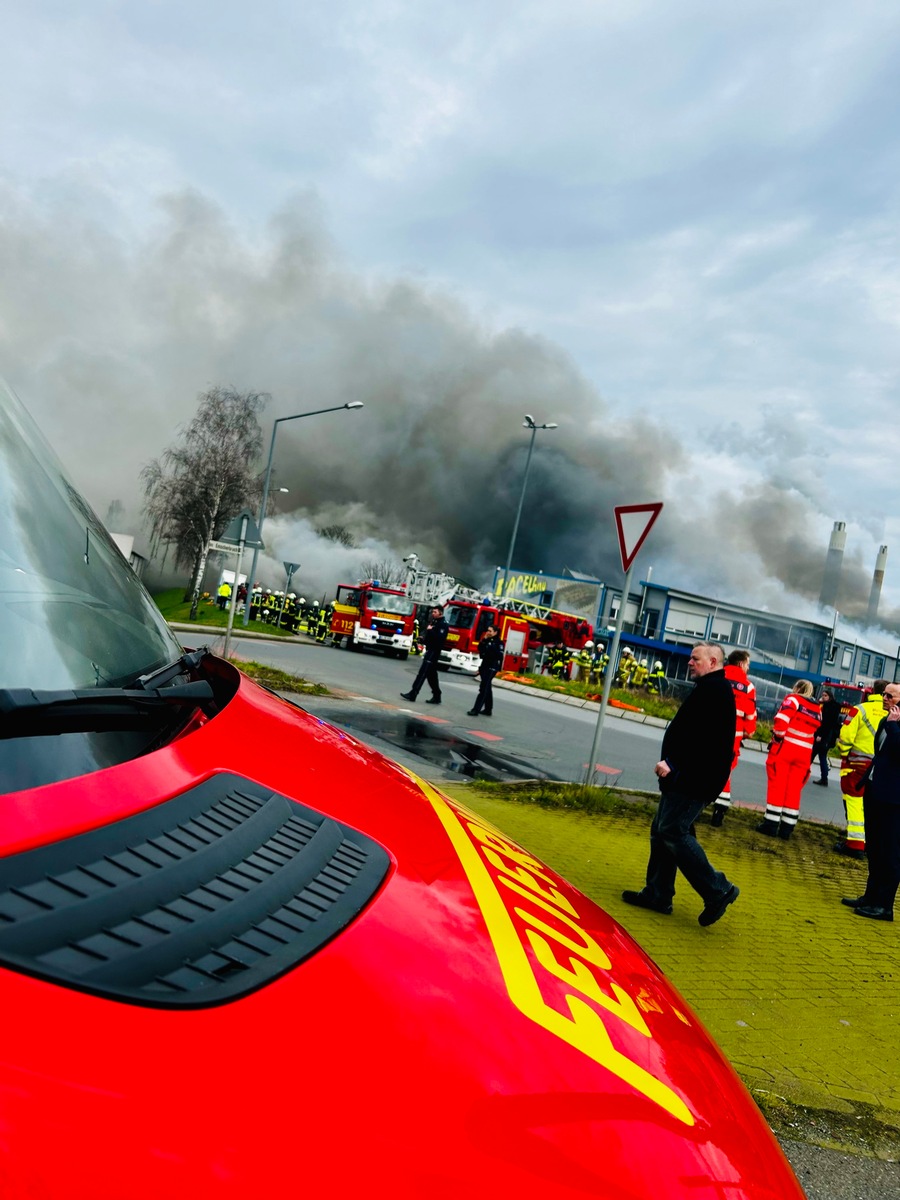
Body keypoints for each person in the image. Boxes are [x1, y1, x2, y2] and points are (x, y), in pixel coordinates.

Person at [622, 643, 739, 926]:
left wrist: (673, 763)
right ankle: (658, 894)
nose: (689, 662)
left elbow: (702, 741)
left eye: (695, 659)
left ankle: (718, 889)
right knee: (662, 831)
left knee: (672, 830)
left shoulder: (715, 691)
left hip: (693, 779)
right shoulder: (710, 688)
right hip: (686, 778)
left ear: (712, 661)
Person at [842, 682, 900, 921]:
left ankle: (884, 905)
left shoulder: (894, 724)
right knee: (874, 848)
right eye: (884, 693)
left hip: (894, 799)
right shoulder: (886, 720)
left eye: (890, 695)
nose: (884, 698)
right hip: (876, 790)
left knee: (890, 851)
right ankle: (870, 896)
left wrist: (894, 727)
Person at [756, 680, 821, 839]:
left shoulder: (793, 699)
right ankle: (787, 828)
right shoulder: (816, 709)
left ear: (798, 688)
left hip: (786, 749)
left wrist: (778, 736)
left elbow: (782, 720)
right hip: (804, 754)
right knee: (793, 790)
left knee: (777, 785)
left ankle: (770, 824)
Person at [835, 680, 888, 859]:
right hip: (882, 768)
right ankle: (867, 842)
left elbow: (845, 737)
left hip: (857, 765)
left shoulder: (860, 709)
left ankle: (855, 844)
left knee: (854, 802)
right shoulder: (893, 712)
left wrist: (845, 754)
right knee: (873, 807)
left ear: (872, 691)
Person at [710, 650, 758, 827]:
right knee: (724, 772)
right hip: (732, 738)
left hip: (708, 732)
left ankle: (694, 806)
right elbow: (750, 717)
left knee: (702, 766)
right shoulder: (748, 686)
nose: (748, 668)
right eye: (747, 664)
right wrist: (747, 732)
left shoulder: (715, 675)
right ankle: (719, 811)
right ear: (740, 663)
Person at [401, 606, 449, 704]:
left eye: (435, 612)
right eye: (432, 612)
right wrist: (423, 639)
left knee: (422, 673)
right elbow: (431, 638)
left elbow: (439, 640)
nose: (433, 613)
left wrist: (431, 630)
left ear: (440, 613)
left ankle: (413, 693)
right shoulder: (434, 622)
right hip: (429, 650)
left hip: (434, 652)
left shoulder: (443, 625)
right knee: (432, 676)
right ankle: (437, 695)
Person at [468, 624, 504, 717]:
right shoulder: (486, 640)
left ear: (495, 633)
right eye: (487, 630)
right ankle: (488, 709)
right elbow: (480, 649)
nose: (488, 632)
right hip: (484, 665)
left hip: (492, 666)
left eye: (490, 631)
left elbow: (499, 655)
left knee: (483, 687)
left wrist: (490, 646)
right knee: (487, 687)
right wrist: (484, 640)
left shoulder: (499, 643)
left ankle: (475, 709)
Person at [812, 688, 843, 786]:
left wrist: (820, 735)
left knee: (816, 755)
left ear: (830, 696)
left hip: (824, 736)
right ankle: (824, 778)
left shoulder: (828, 707)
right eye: (823, 695)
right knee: (821, 756)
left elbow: (826, 723)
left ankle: (822, 778)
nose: (823, 697)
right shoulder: (834, 706)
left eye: (825, 695)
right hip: (829, 737)